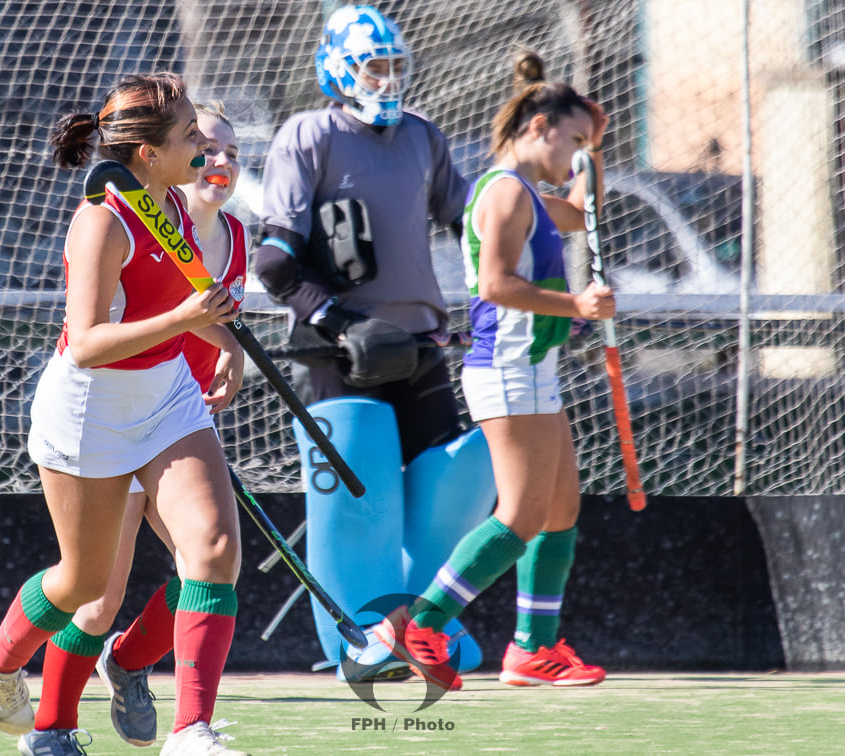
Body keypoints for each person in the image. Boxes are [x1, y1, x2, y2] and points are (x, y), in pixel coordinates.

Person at [0, 73, 249, 756]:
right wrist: (185, 319)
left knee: (213, 550)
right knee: (83, 584)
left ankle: (192, 732)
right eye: (187, 136)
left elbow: (181, 294)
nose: (203, 145)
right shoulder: (103, 220)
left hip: (166, 394)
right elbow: (84, 343)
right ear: (147, 153)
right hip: (89, 408)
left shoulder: (173, 200)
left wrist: (222, 343)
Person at [252, 4, 496, 683]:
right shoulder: (308, 135)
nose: (387, 80)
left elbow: (474, 225)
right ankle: (357, 639)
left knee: (452, 485)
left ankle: (426, 629)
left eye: (395, 67)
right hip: (339, 349)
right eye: (373, 66)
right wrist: (341, 322)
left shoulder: (423, 136)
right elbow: (274, 263)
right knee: (358, 500)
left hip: (419, 343)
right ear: (338, 67)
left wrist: (507, 268)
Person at [374, 50, 614, 692]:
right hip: (507, 370)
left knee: (560, 508)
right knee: (521, 516)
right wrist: (576, 305)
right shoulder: (505, 193)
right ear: (538, 128)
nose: (574, 156)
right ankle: (419, 625)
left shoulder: (534, 193)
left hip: (535, 370)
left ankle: (534, 648)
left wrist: (594, 149)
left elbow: (584, 211)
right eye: (571, 142)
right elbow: (494, 283)